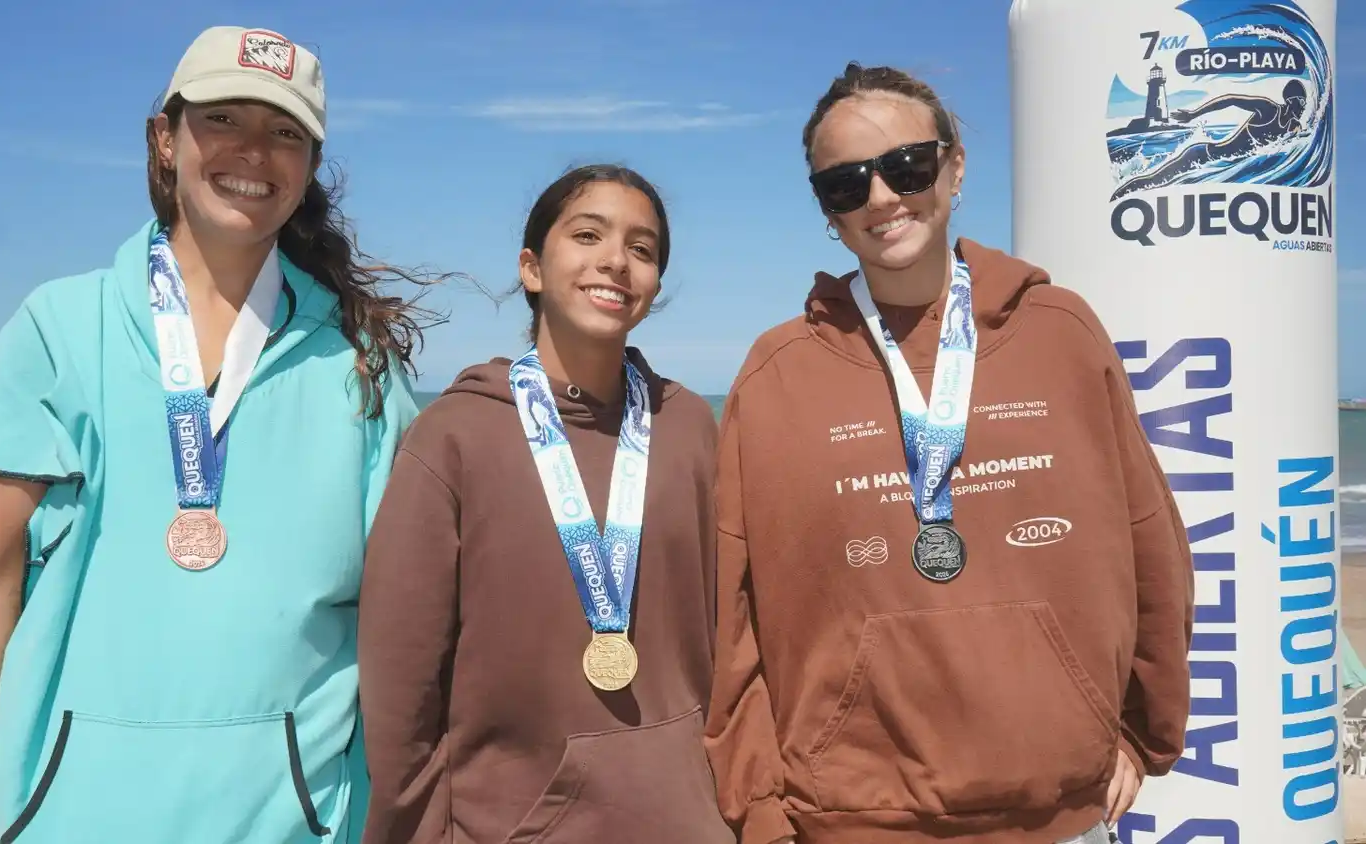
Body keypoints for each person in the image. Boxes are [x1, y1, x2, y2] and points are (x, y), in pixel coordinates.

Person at [0, 25, 431, 844]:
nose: (254, 152)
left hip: (296, 819)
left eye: (285, 133)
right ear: (166, 139)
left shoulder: (358, 360)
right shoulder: (60, 327)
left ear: (309, 167)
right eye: (223, 120)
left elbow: (399, 608)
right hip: (66, 813)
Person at [703, 63, 1196, 844]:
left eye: (906, 166)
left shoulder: (1061, 333)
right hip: (851, 820)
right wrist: (759, 806)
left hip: (1059, 819)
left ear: (955, 166)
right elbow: (731, 612)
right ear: (826, 211)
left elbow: (1149, 539)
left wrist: (1143, 728)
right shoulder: (776, 374)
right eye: (844, 184)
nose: (880, 198)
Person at [359, 164, 733, 844]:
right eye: (588, 235)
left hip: (689, 822)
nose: (616, 261)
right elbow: (400, 683)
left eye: (642, 249)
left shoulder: (689, 427)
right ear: (532, 267)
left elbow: (729, 635)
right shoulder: (453, 436)